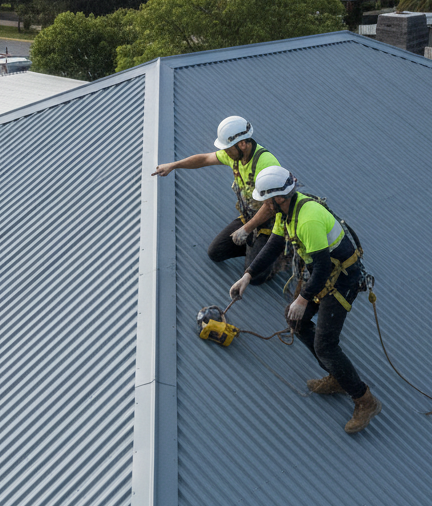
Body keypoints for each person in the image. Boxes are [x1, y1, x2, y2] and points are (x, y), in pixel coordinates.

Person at [229, 166, 382, 434]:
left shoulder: (308, 219)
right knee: (294, 319)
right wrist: (248, 276)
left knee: (326, 344)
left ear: (279, 198)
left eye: (266, 200)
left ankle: (365, 400)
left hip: (341, 280)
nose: (263, 204)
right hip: (324, 275)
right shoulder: (286, 213)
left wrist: (302, 299)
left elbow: (322, 267)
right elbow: (275, 245)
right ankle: (337, 376)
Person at [153, 115, 281, 282]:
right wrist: (173, 165)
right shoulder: (234, 155)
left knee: (255, 278)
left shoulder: (266, 164)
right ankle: (258, 248)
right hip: (250, 216)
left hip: (271, 223)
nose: (225, 153)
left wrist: (246, 229)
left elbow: (271, 206)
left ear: (242, 144)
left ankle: (278, 248)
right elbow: (205, 159)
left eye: (228, 149)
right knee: (216, 252)